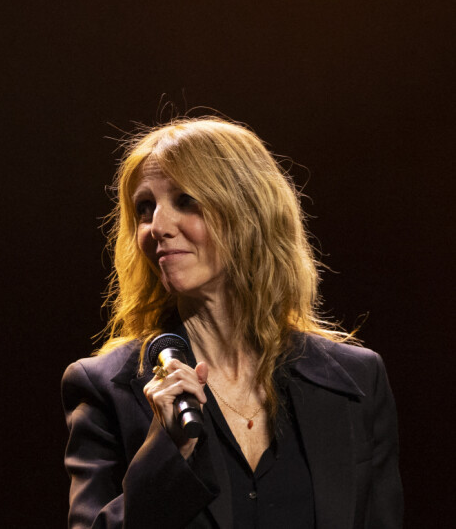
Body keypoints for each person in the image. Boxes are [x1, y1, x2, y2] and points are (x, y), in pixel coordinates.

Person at [61, 116, 403, 528]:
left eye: (186, 200)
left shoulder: (356, 381)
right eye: (145, 208)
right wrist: (167, 451)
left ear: (250, 213)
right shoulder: (105, 388)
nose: (157, 227)